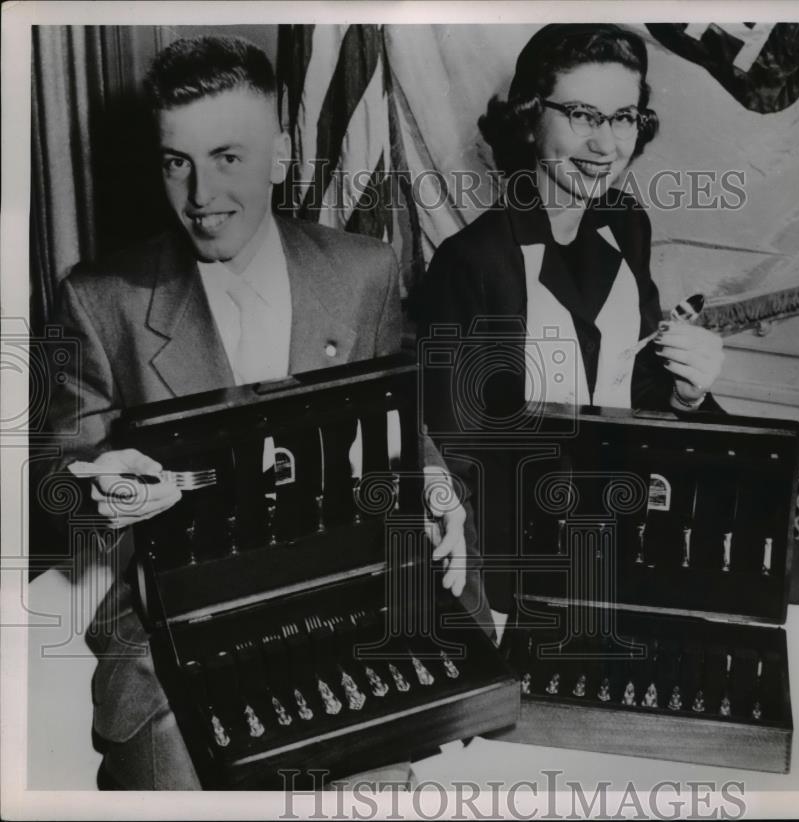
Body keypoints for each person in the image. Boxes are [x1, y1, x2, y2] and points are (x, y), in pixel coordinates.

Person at [41, 35, 486, 789]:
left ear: (281, 155)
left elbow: (401, 432)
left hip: (343, 613)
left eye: (228, 158)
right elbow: (52, 480)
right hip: (173, 645)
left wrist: (435, 487)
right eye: (175, 161)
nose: (200, 196)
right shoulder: (100, 298)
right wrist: (95, 491)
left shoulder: (363, 271)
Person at [416, 24, 725, 624]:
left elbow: (629, 383)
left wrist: (688, 393)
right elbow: (455, 462)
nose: (605, 144)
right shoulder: (472, 261)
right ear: (530, 118)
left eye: (624, 118)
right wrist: (485, 620)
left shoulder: (626, 224)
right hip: (520, 574)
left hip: (622, 545)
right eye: (583, 114)